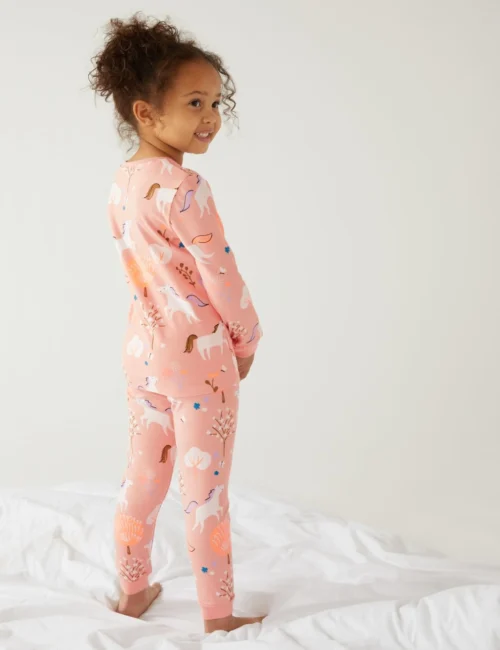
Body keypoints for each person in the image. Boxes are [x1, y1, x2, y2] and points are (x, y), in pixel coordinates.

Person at [89, 12, 264, 634]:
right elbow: (221, 273)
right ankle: (218, 616)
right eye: (195, 103)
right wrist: (247, 339)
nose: (211, 116)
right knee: (204, 491)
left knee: (143, 477)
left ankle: (133, 590)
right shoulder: (186, 187)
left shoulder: (122, 183)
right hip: (199, 363)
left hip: (142, 354)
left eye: (215, 102)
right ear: (145, 112)